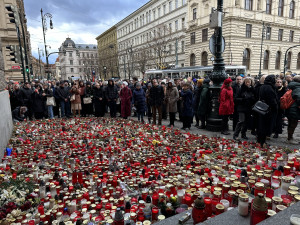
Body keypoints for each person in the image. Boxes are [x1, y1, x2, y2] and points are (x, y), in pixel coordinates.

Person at [257, 75, 278, 147]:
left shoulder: (263, 86)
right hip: (268, 109)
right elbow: (272, 101)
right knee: (265, 126)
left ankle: (259, 141)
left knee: (261, 125)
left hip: (262, 108)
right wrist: (276, 108)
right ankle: (262, 142)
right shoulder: (269, 88)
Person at [285, 75, 300, 144]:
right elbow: (299, 98)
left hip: (289, 107)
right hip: (295, 109)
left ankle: (289, 137)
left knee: (290, 123)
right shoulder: (298, 87)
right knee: (293, 124)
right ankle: (289, 138)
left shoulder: (290, 86)